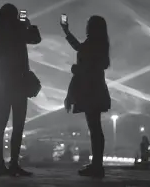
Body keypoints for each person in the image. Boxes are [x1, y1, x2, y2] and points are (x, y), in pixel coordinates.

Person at [0, 3, 41, 176]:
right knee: (18, 124)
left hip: (3, 80)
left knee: (1, 122)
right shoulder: (18, 31)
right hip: (18, 81)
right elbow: (36, 38)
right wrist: (27, 23)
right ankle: (14, 164)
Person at [61, 15, 111, 178]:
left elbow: (84, 59)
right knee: (95, 127)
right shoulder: (99, 44)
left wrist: (77, 69)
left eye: (89, 24)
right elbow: (80, 49)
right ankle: (97, 164)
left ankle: (97, 166)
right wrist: (67, 32)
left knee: (94, 127)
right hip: (96, 89)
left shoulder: (93, 44)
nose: (86, 26)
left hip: (91, 90)